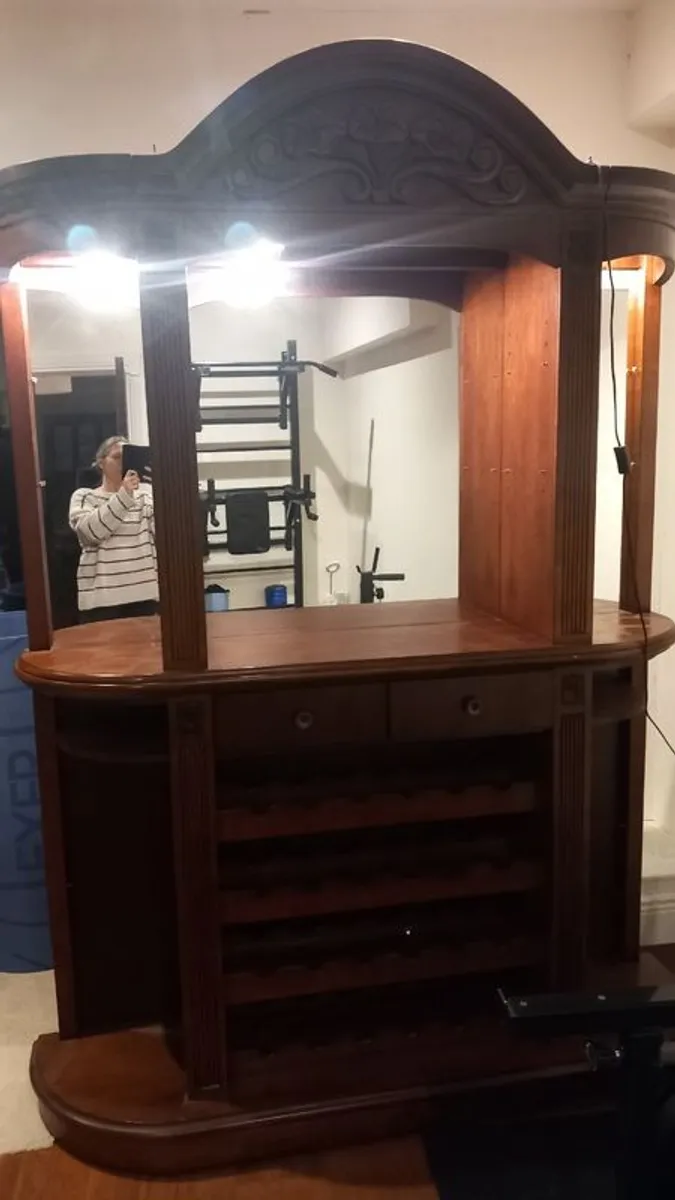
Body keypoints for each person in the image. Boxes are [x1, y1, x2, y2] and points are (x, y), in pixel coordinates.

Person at [69, 436, 158, 623]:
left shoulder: (146, 497)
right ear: (101, 462)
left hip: (144, 597)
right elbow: (90, 532)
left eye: (128, 458)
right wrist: (124, 496)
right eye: (117, 457)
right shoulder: (85, 496)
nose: (122, 463)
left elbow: (165, 535)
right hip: (101, 602)